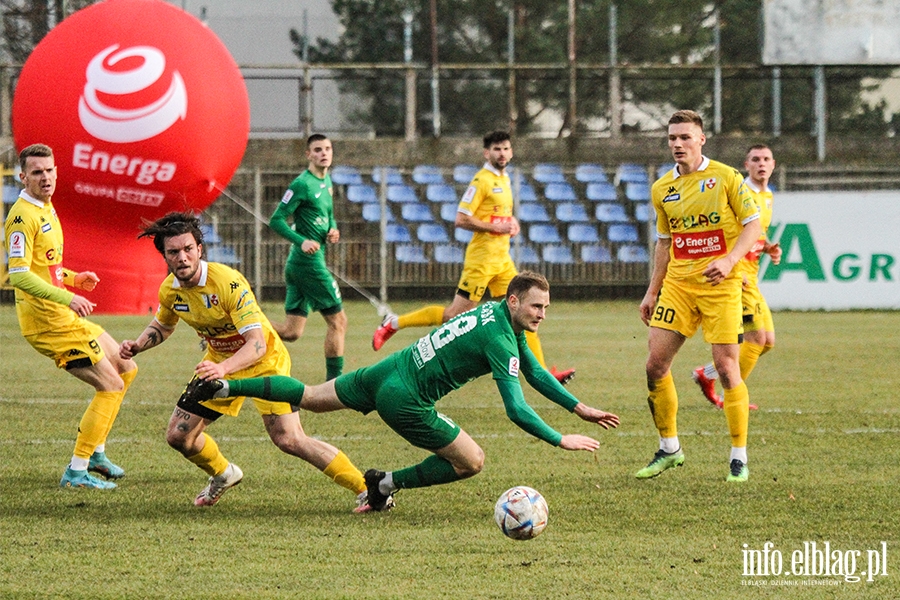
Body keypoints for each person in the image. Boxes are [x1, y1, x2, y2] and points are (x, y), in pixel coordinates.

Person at [186, 271, 619, 511]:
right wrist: (560, 438)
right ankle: (385, 484)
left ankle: (225, 383)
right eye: (537, 306)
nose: (542, 314)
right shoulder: (501, 338)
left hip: (387, 371)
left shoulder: (495, 314)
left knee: (310, 396)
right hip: (405, 400)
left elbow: (537, 373)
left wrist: (577, 407)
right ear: (514, 301)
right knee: (472, 462)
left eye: (546, 307)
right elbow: (517, 409)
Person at [118, 212, 373, 509]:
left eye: (188, 249)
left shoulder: (228, 283)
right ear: (164, 255)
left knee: (289, 439)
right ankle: (223, 474)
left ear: (200, 248)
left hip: (264, 361)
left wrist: (222, 370)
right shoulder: (170, 291)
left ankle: (367, 488)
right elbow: (163, 325)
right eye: (174, 252)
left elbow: (257, 344)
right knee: (179, 436)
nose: (182, 258)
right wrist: (137, 345)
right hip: (219, 364)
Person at [371, 131, 576, 385]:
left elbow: (498, 214)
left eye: (506, 149)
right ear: (486, 153)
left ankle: (544, 372)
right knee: (452, 316)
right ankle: (393, 322)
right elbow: (462, 218)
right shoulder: (481, 181)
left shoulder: (505, 179)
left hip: (502, 260)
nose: (502, 153)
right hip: (481, 260)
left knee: (523, 310)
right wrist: (495, 228)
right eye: (496, 149)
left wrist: (510, 222)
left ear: (511, 152)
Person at [637, 110, 762, 483]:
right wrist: (652, 290)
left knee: (726, 368)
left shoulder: (726, 177)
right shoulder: (662, 188)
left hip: (720, 285)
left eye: (685, 137)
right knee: (654, 365)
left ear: (701, 139)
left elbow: (752, 226)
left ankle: (738, 457)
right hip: (678, 284)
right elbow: (665, 242)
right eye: (672, 138)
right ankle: (669, 448)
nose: (678, 144)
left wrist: (729, 260)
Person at [5, 143, 137, 490]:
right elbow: (18, 274)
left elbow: (46, 268)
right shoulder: (22, 217)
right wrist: (69, 295)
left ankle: (96, 452)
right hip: (48, 324)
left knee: (126, 366)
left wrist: (74, 278)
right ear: (23, 177)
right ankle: (77, 472)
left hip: (62, 314)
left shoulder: (47, 207)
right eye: (37, 172)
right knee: (111, 385)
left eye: (49, 170)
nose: (45, 177)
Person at [692, 144, 783, 408]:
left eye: (766, 159)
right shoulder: (740, 193)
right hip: (737, 275)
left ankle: (706, 374)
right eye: (755, 159)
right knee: (757, 339)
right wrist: (732, 267)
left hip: (751, 276)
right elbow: (723, 232)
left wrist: (767, 247)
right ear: (746, 165)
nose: (761, 164)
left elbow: (752, 232)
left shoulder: (767, 196)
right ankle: (733, 397)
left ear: (774, 164)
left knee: (767, 342)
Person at [268, 133, 347, 380]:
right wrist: (302, 241)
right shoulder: (302, 184)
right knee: (338, 322)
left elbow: (329, 214)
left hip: (303, 264)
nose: (324, 153)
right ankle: (334, 386)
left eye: (327, 148)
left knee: (292, 332)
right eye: (317, 150)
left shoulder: (327, 181)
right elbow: (276, 220)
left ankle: (240, 329)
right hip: (307, 264)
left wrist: (332, 230)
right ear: (308, 155)